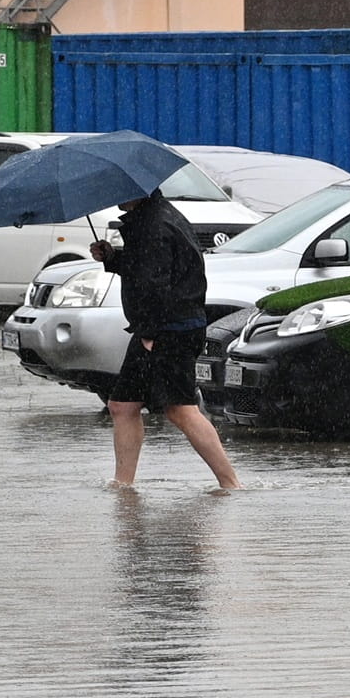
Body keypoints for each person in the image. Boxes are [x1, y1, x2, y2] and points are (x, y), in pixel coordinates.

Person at [89, 188, 241, 491]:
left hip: (168, 329)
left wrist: (150, 334)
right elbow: (148, 269)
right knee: (123, 405)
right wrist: (113, 257)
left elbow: (155, 285)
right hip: (165, 327)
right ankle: (123, 485)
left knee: (180, 409)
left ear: (139, 190)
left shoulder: (154, 226)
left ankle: (230, 483)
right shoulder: (153, 218)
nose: (115, 195)